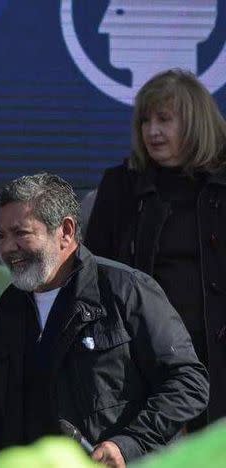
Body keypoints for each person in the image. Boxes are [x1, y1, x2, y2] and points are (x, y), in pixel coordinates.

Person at [0, 173, 208, 468]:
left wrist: (130, 444)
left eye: (20, 233)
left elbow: (188, 382)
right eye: (1, 236)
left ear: (66, 231)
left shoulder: (126, 289)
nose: (7, 248)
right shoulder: (9, 308)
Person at [85, 69, 226, 430]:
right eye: (145, 120)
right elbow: (94, 272)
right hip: (145, 362)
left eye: (164, 119)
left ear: (194, 123)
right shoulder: (121, 185)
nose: (152, 131)